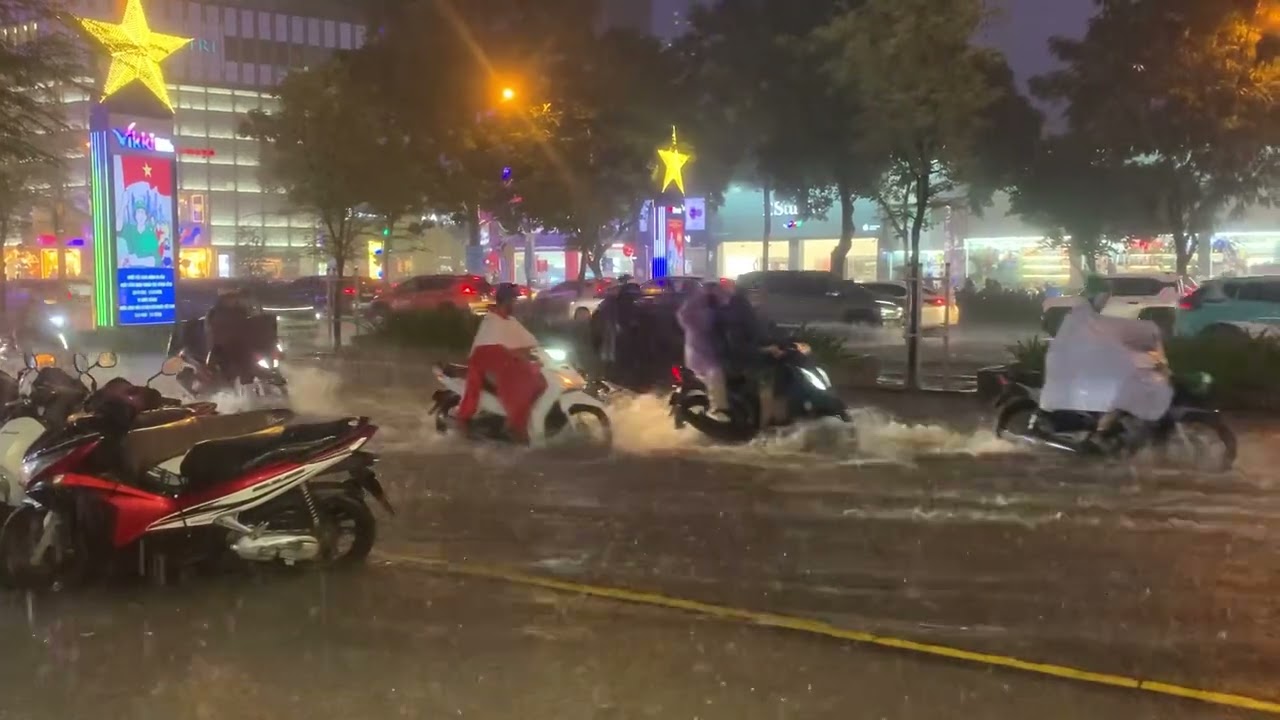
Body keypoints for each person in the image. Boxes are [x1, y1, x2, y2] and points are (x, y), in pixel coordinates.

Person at [1040, 274, 1173, 449]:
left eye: (1108, 295)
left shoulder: (1093, 314)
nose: (1106, 299)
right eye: (1104, 295)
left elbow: (1115, 337)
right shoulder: (1083, 314)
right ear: (1095, 295)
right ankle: (1098, 435)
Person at [457, 283, 545, 441]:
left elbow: (530, 341)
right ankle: (514, 426)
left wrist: (535, 351)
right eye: (514, 300)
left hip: (508, 363)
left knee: (538, 380)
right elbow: (490, 350)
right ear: (506, 301)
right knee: (525, 384)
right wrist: (515, 354)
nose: (516, 304)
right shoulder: (492, 321)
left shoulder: (510, 321)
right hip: (491, 367)